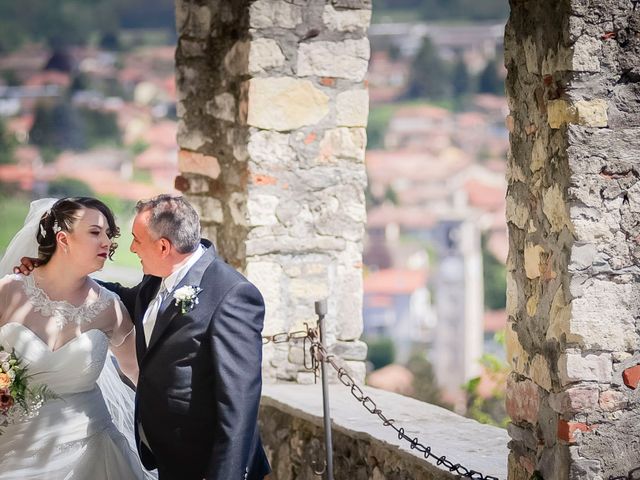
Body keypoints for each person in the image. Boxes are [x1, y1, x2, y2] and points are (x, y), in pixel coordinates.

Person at [18, 195, 271, 479]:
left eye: (137, 240)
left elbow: (239, 401)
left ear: (163, 247)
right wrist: (53, 276)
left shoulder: (232, 295)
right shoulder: (156, 279)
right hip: (170, 454)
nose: (130, 248)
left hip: (209, 461)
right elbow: (117, 297)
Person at [0, 197, 156, 480]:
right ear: (63, 238)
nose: (106, 241)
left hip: (92, 447)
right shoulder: (10, 292)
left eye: (109, 234)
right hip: (13, 443)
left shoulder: (110, 307)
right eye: (95, 232)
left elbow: (139, 374)